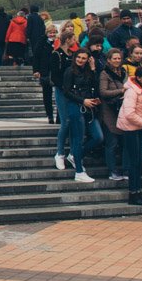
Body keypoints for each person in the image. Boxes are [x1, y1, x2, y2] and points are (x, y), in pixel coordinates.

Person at [60, 49, 101, 183]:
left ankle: (75, 156)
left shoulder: (89, 71)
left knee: (98, 137)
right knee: (77, 139)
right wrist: (83, 101)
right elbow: (66, 91)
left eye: (84, 58)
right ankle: (79, 171)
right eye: (79, 57)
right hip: (76, 106)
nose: (81, 60)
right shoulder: (69, 71)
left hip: (90, 106)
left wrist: (93, 69)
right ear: (75, 57)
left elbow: (95, 86)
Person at [116, 65, 142, 206]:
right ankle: (133, 193)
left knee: (139, 160)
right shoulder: (132, 92)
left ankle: (137, 191)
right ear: (138, 77)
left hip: (139, 127)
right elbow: (129, 113)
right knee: (134, 162)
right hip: (131, 128)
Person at [98, 49, 128, 182]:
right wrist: (120, 91)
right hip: (109, 111)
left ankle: (125, 169)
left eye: (119, 58)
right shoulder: (104, 73)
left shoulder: (123, 72)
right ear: (109, 60)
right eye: (114, 58)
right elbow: (103, 92)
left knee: (124, 143)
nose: (117, 61)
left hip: (121, 110)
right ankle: (112, 170)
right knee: (112, 142)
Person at [51, 30, 77, 169]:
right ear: (67, 39)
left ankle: (72, 153)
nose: (75, 41)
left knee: (73, 122)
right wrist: (64, 87)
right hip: (62, 91)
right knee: (65, 121)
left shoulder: (72, 55)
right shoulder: (56, 54)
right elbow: (54, 76)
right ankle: (60, 153)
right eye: (73, 38)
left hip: (72, 91)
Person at [31, 24, 57, 123]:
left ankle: (59, 117)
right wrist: (36, 70)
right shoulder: (41, 42)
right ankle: (50, 115)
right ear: (47, 33)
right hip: (45, 71)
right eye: (50, 33)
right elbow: (36, 57)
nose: (52, 34)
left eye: (54, 32)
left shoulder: (58, 42)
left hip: (55, 71)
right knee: (47, 94)